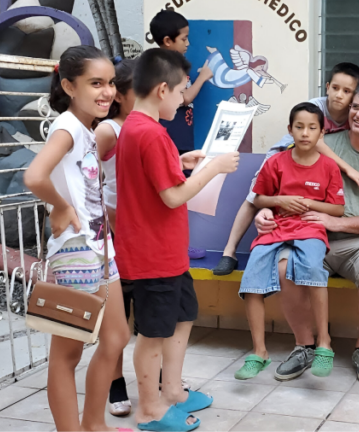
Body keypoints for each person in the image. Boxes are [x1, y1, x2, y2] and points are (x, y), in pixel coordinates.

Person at [115, 48, 239, 431]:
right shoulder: (149, 133)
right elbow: (173, 196)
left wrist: (182, 163)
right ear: (162, 90)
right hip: (152, 255)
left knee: (183, 315)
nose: (184, 98)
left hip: (166, 251)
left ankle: (172, 391)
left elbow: (156, 181)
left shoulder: (141, 129)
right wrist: (214, 168)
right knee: (153, 334)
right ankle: (149, 409)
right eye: (183, 90)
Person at [254, 83, 359, 385]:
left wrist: (338, 223)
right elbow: (278, 185)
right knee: (286, 268)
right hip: (307, 232)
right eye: (355, 107)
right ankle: (305, 346)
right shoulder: (322, 142)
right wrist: (265, 211)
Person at [22, 46, 130, 432]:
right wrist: (61, 207)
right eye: (95, 83)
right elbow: (34, 176)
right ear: (69, 85)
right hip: (77, 251)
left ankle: (92, 425)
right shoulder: (67, 127)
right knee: (66, 355)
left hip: (99, 249)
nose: (106, 92)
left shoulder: (85, 129)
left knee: (117, 335)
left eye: (110, 83)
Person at [212, 64, 359, 276]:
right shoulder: (317, 107)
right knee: (255, 196)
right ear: (328, 87)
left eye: (347, 91)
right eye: (336, 88)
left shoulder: (355, 114)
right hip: (285, 154)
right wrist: (350, 170)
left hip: (308, 161)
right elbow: (319, 144)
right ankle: (229, 251)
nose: (339, 95)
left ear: (354, 96)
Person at [234, 102, 345, 381]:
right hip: (275, 229)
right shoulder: (276, 162)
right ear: (289, 130)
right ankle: (259, 351)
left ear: (321, 133)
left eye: (312, 128)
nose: (305, 133)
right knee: (251, 282)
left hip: (309, 228)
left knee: (313, 272)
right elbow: (258, 198)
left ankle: (324, 344)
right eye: (299, 127)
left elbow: (338, 209)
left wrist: (310, 204)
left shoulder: (329, 167)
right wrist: (279, 201)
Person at [92, 58, 138, 418]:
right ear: (121, 95)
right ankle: (115, 382)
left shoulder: (148, 127)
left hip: (145, 234)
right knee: (117, 316)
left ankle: (157, 377)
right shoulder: (108, 130)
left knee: (150, 312)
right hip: (116, 234)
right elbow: (90, 180)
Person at [149, 10, 214, 153]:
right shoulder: (167, 65)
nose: (188, 43)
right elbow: (184, 98)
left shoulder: (170, 63)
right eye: (184, 39)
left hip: (181, 133)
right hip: (174, 133)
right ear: (167, 41)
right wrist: (203, 77)